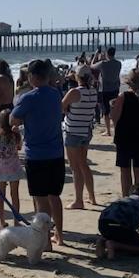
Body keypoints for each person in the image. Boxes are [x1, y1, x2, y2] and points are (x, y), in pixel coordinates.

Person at [10, 59, 65, 246]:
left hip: (37, 154)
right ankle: (59, 235)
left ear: (32, 76)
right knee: (55, 197)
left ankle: (46, 241)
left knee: (41, 200)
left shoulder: (29, 97)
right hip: (56, 152)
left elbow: (13, 120)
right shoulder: (55, 93)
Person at [95, 184, 139, 259]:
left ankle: (102, 241)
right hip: (119, 227)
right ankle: (114, 245)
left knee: (117, 234)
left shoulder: (122, 200)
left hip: (103, 224)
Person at [62, 65, 98, 209]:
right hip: (85, 130)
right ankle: (92, 196)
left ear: (78, 76)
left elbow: (61, 106)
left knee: (75, 167)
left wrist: (67, 110)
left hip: (73, 131)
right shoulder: (93, 91)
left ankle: (79, 200)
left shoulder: (75, 92)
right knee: (83, 164)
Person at [0, 109, 23, 227]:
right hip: (14, 168)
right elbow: (19, 147)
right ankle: (16, 221)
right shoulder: (15, 135)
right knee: (15, 195)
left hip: (1, 168)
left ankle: (2, 220)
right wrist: (17, 133)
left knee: (1, 195)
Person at [91, 47, 122, 136]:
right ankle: (116, 130)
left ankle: (108, 131)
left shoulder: (102, 64)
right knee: (114, 109)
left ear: (107, 54)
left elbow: (92, 66)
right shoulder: (119, 63)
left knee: (106, 111)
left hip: (105, 89)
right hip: (115, 88)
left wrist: (96, 54)